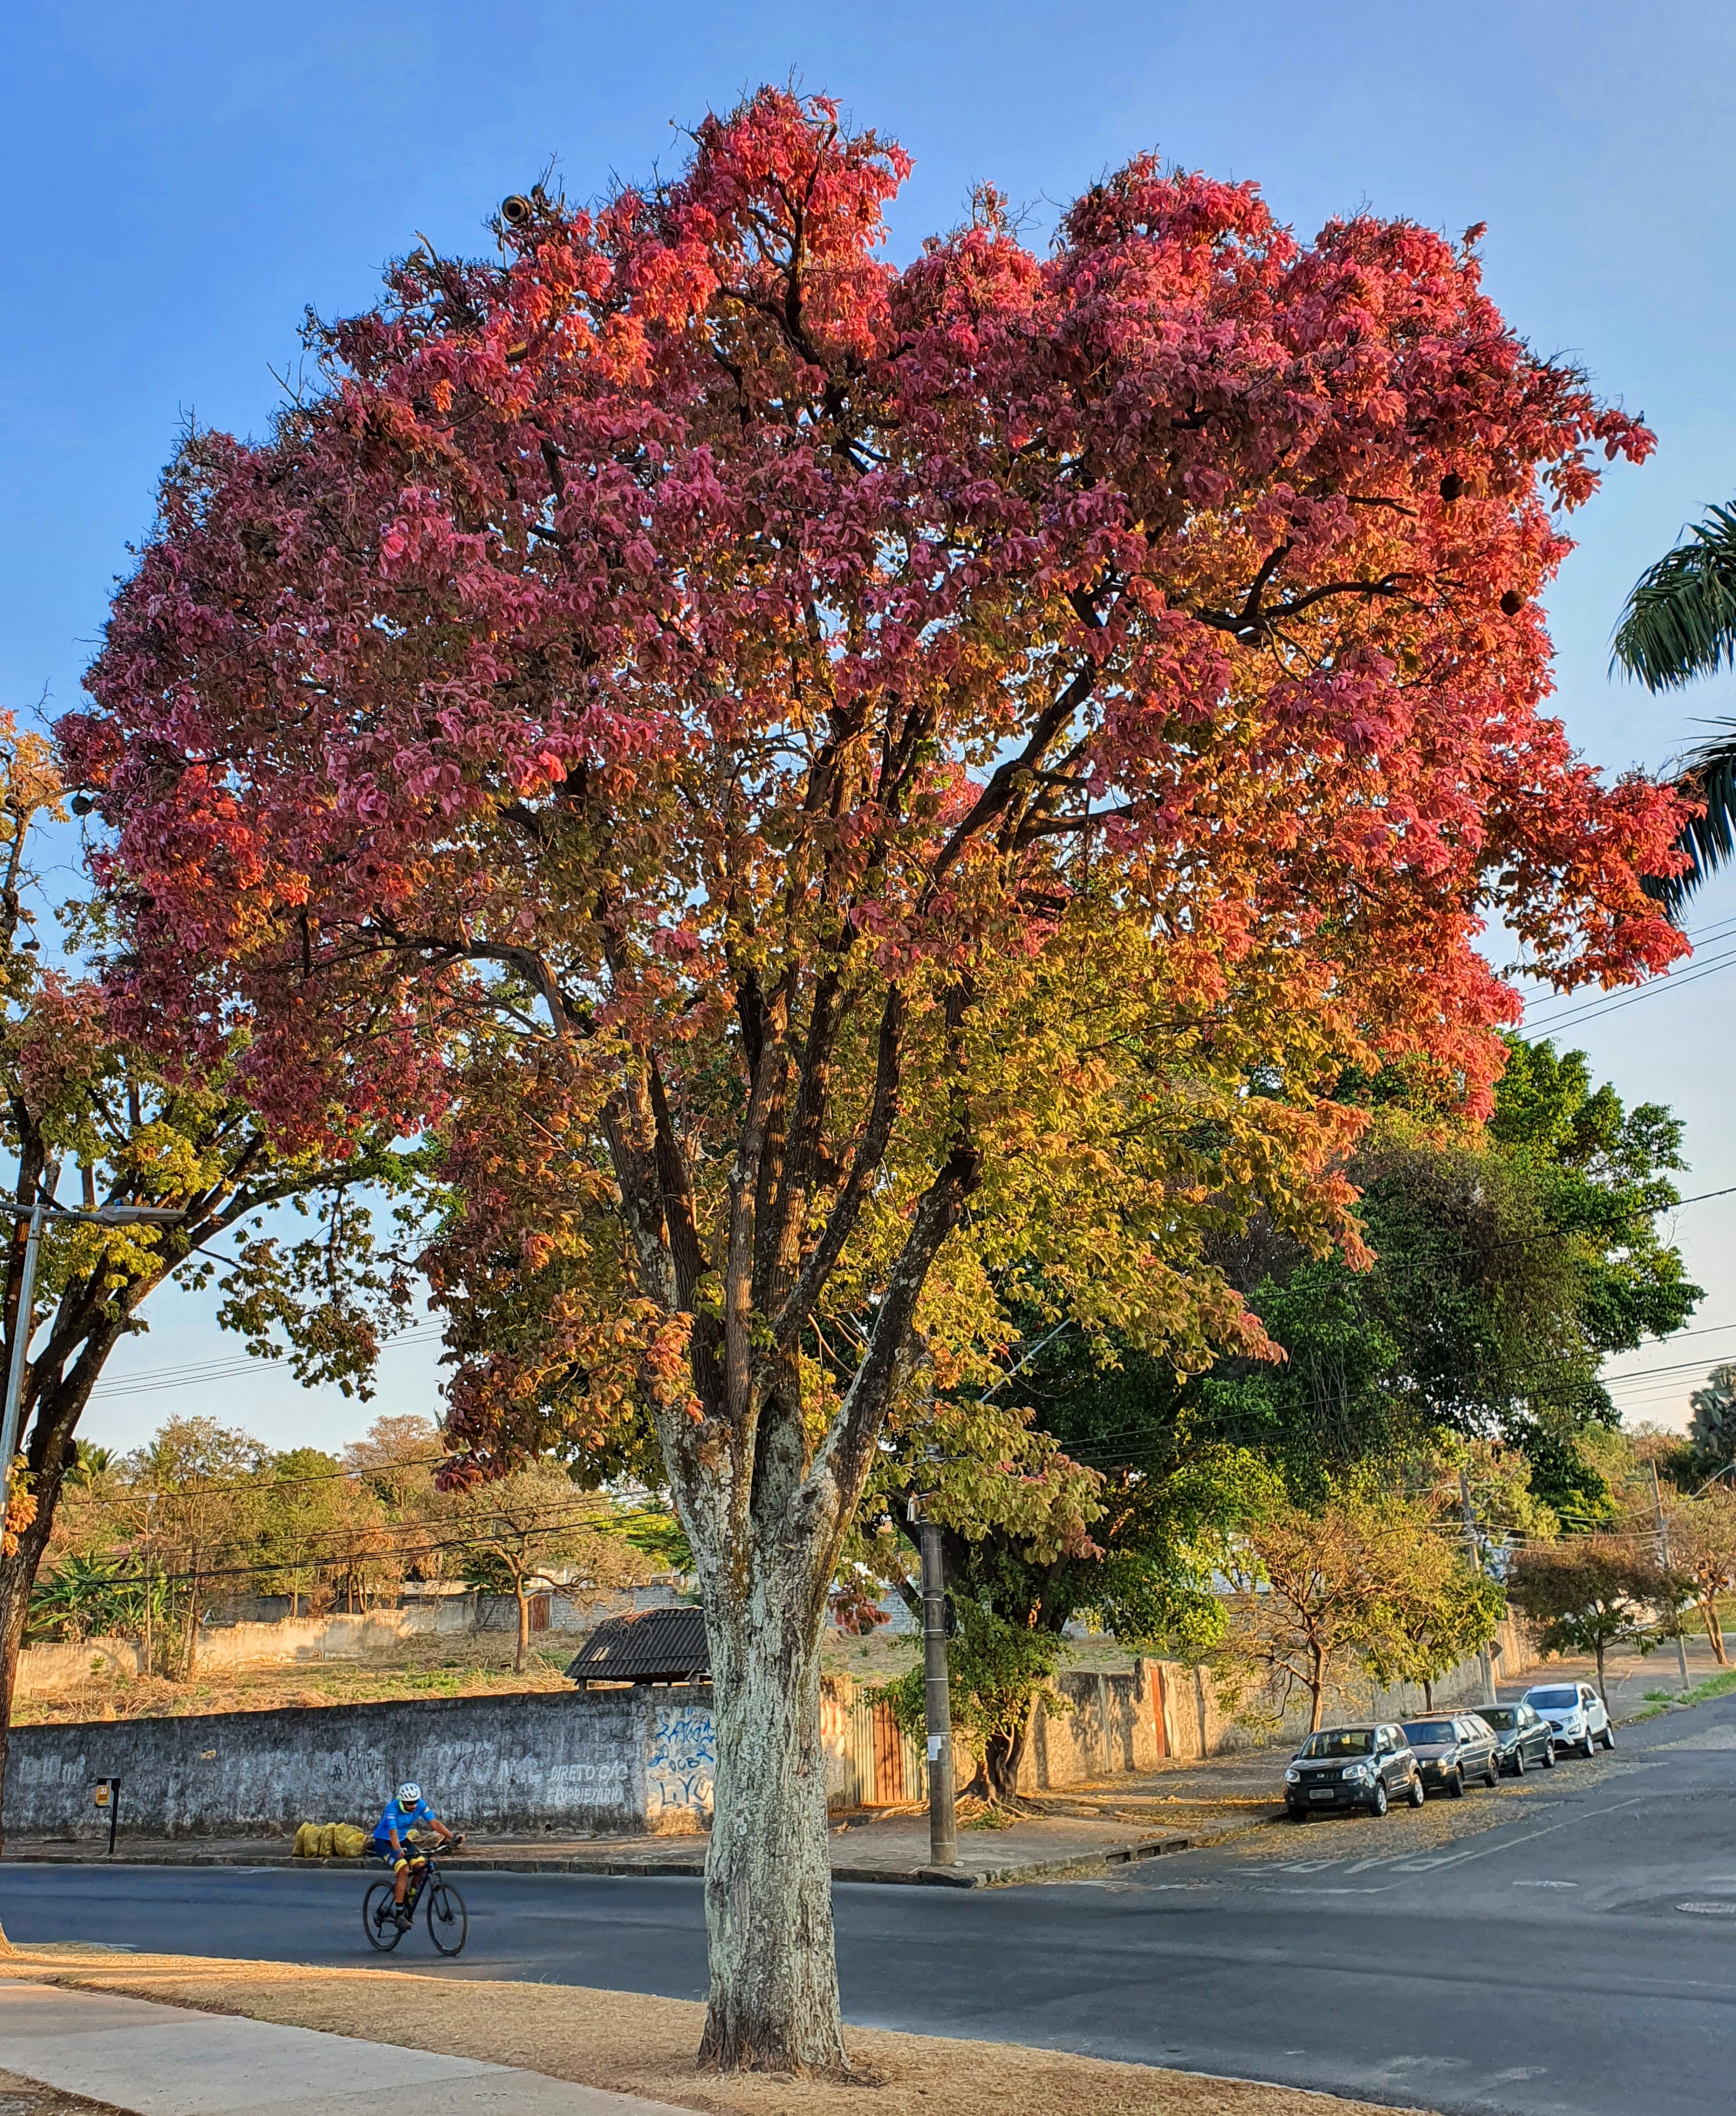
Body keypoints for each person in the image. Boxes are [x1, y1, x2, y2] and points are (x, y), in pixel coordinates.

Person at [369, 1782, 460, 1924]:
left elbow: (435, 1823)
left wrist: (452, 1837)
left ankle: (410, 1897)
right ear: (403, 1801)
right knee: (404, 1869)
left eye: (415, 1802)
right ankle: (399, 1913)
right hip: (385, 1843)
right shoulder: (392, 1808)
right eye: (410, 1803)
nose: (413, 1806)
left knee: (421, 1866)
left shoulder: (420, 1804)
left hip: (404, 1840)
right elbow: (392, 1833)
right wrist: (398, 1850)